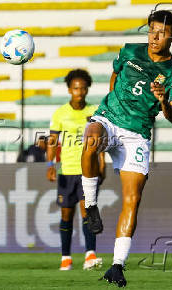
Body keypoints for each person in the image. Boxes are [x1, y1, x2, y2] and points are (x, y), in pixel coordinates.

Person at [81, 10, 172, 287]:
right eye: (152, 29)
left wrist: (163, 100)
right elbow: (115, 78)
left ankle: (117, 266)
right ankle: (91, 206)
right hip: (109, 118)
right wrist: (108, 108)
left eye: (162, 32)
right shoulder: (129, 50)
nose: (154, 36)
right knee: (91, 138)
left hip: (137, 134)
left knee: (132, 199)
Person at [46, 69, 105, 270]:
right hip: (66, 170)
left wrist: (102, 162)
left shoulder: (95, 111)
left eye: (82, 88)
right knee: (66, 215)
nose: (79, 92)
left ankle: (90, 255)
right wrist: (50, 164)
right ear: (69, 89)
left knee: (87, 211)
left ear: (87, 89)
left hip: (87, 170)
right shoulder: (60, 113)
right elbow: (52, 141)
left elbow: (100, 140)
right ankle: (66, 257)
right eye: (75, 88)